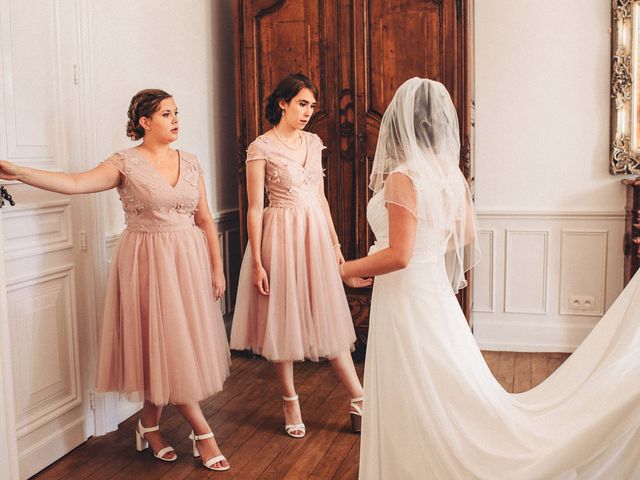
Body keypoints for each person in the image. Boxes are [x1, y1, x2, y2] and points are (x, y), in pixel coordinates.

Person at [341, 77, 640, 479]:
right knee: (443, 380)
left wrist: (346, 268)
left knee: (411, 381)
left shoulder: (402, 177)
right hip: (432, 292)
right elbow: (464, 236)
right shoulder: (450, 174)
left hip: (407, 295)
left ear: (403, 124)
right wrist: (427, 248)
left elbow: (398, 255)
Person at [0, 89, 232, 472]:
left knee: (169, 349)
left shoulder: (189, 162)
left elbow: (205, 219)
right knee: (167, 347)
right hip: (147, 264)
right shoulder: (125, 162)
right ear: (144, 121)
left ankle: (148, 426)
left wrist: (217, 267)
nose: (175, 120)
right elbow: (75, 182)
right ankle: (204, 435)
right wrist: (21, 173)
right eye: (166, 114)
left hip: (188, 264)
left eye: (177, 113)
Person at [231, 74, 368, 438]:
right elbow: (255, 208)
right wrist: (258, 261)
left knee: (329, 314)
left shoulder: (314, 141)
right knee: (284, 316)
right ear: (283, 103)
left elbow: (321, 198)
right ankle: (290, 399)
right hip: (281, 234)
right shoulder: (261, 147)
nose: (308, 112)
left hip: (314, 234)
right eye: (302, 104)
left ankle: (358, 397)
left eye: (311, 105)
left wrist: (336, 247)